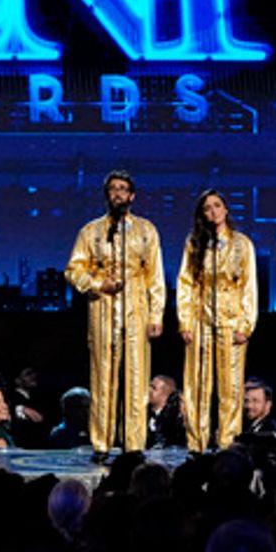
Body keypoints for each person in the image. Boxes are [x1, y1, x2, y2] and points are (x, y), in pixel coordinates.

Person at [65, 169, 165, 457]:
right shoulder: (91, 231)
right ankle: (102, 443)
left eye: (123, 189)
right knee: (103, 377)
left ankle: (134, 444)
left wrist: (156, 315)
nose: (118, 194)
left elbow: (154, 276)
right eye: (113, 189)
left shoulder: (146, 230)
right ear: (107, 195)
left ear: (132, 195)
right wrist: (97, 284)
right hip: (103, 310)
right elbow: (73, 269)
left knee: (136, 377)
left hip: (137, 310)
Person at [176, 189, 258, 451]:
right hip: (201, 320)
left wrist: (246, 325)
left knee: (230, 388)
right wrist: (185, 322)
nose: (213, 211)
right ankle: (196, 445)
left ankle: (228, 444)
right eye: (207, 208)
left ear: (225, 209)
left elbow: (249, 286)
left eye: (217, 206)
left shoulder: (242, 244)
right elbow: (185, 283)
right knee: (198, 385)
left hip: (231, 321)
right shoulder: (195, 243)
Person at [145, 375, 185, 449]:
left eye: (153, 388)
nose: (148, 390)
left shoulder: (174, 421)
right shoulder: (143, 416)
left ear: (165, 395)